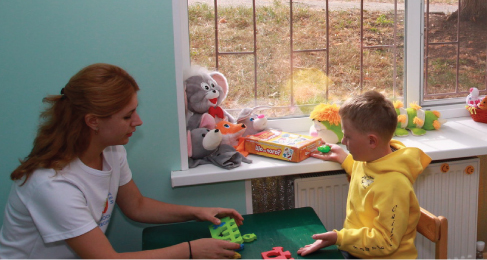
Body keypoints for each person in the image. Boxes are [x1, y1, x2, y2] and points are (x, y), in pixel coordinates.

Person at [0, 63, 243, 259]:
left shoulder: (111, 151)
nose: (138, 121)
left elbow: (136, 205)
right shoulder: (52, 184)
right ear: (93, 121)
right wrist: (190, 251)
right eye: (127, 116)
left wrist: (198, 212)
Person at [297, 91, 431, 259]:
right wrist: (345, 159)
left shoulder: (394, 185)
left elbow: (386, 242)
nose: (344, 142)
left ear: (372, 141)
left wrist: (339, 238)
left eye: (348, 137)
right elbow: (367, 179)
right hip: (357, 249)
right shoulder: (370, 159)